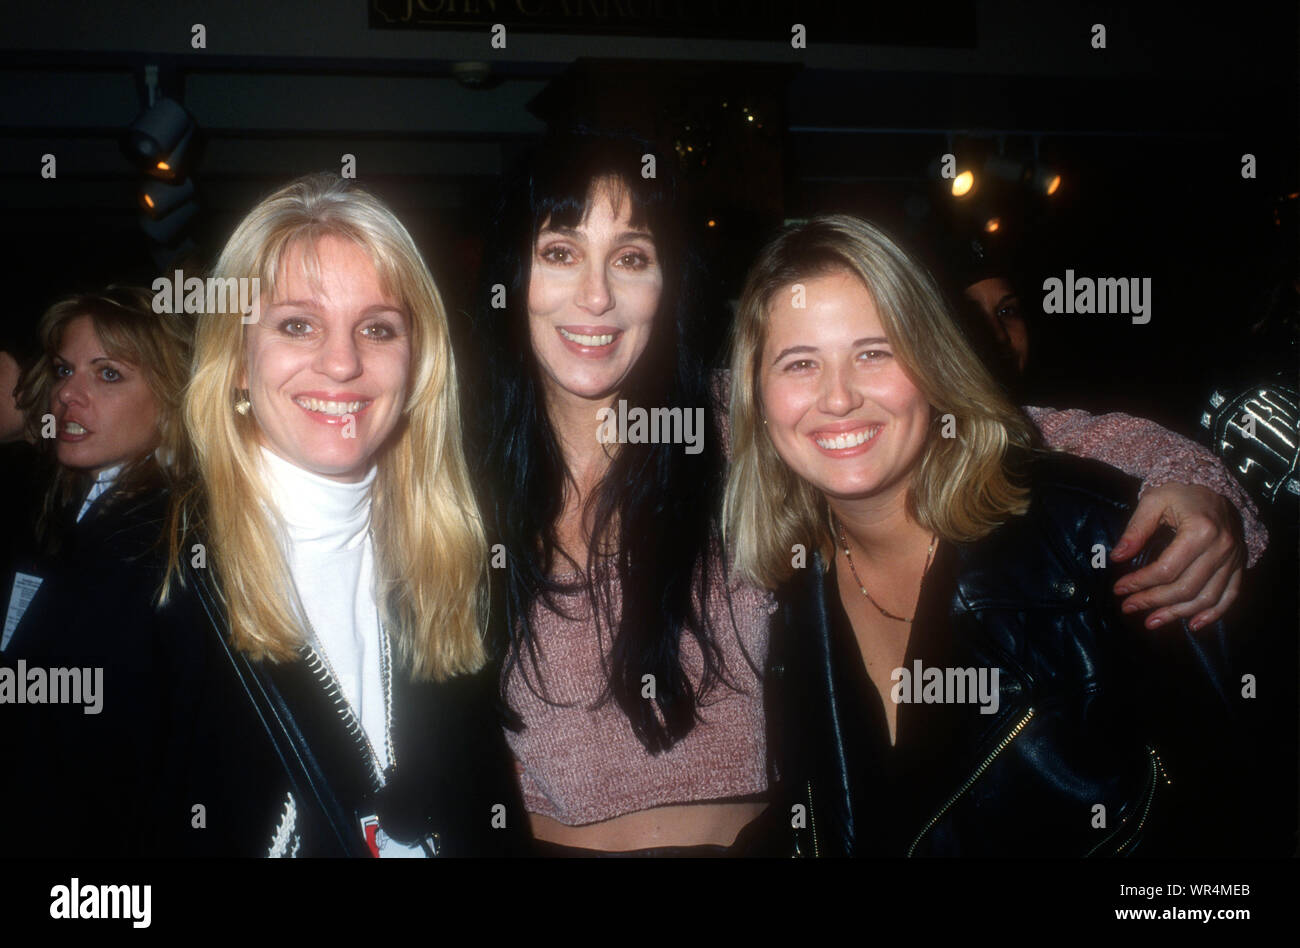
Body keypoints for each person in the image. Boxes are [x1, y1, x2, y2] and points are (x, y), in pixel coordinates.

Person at [468, 129, 1262, 856]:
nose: (597, 297)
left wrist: (1197, 486)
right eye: (562, 252)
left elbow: (1004, 426)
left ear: (666, 282)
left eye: (632, 256)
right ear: (514, 269)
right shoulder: (456, 477)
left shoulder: (740, 419)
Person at [2, 173, 525, 857]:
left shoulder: (451, 561)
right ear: (238, 361)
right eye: (297, 324)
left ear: (418, 363)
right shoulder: (133, 570)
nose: (342, 363)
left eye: (377, 327)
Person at [724, 214, 1255, 856]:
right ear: (755, 394)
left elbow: (1240, 823)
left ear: (933, 359)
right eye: (800, 363)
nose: (838, 398)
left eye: (874, 352)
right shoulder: (786, 593)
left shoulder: (1096, 541)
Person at [2, 287, 191, 653]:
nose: (67, 393)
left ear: (171, 399)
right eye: (64, 370)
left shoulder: (162, 537)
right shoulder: (71, 502)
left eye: (108, 374)